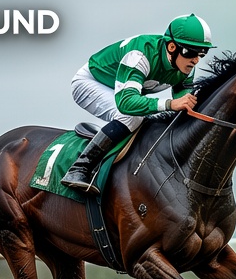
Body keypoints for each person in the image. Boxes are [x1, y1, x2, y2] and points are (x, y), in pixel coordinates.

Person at [61, 14, 214, 193]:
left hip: (122, 89)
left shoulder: (185, 66)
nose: (196, 60)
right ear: (172, 47)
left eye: (202, 53)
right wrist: (170, 104)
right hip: (91, 82)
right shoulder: (140, 55)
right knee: (131, 117)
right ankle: (79, 168)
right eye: (191, 52)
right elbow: (125, 102)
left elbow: (183, 97)